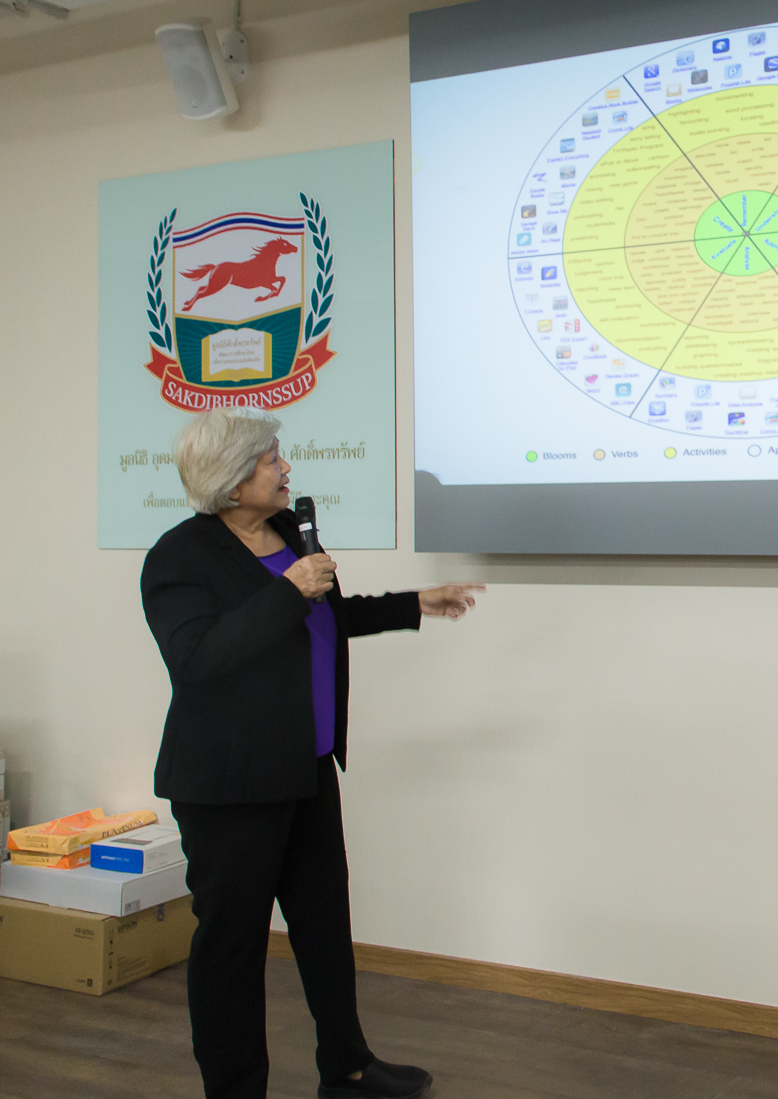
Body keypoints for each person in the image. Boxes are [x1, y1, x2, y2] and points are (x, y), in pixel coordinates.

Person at [141, 405, 482, 1099]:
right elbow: (198, 659)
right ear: (233, 479)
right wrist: (288, 592)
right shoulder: (179, 557)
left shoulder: (284, 535)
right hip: (230, 786)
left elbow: (324, 618)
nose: (285, 467)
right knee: (233, 945)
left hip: (306, 766)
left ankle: (347, 1066)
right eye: (271, 459)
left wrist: (413, 603)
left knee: (325, 925)